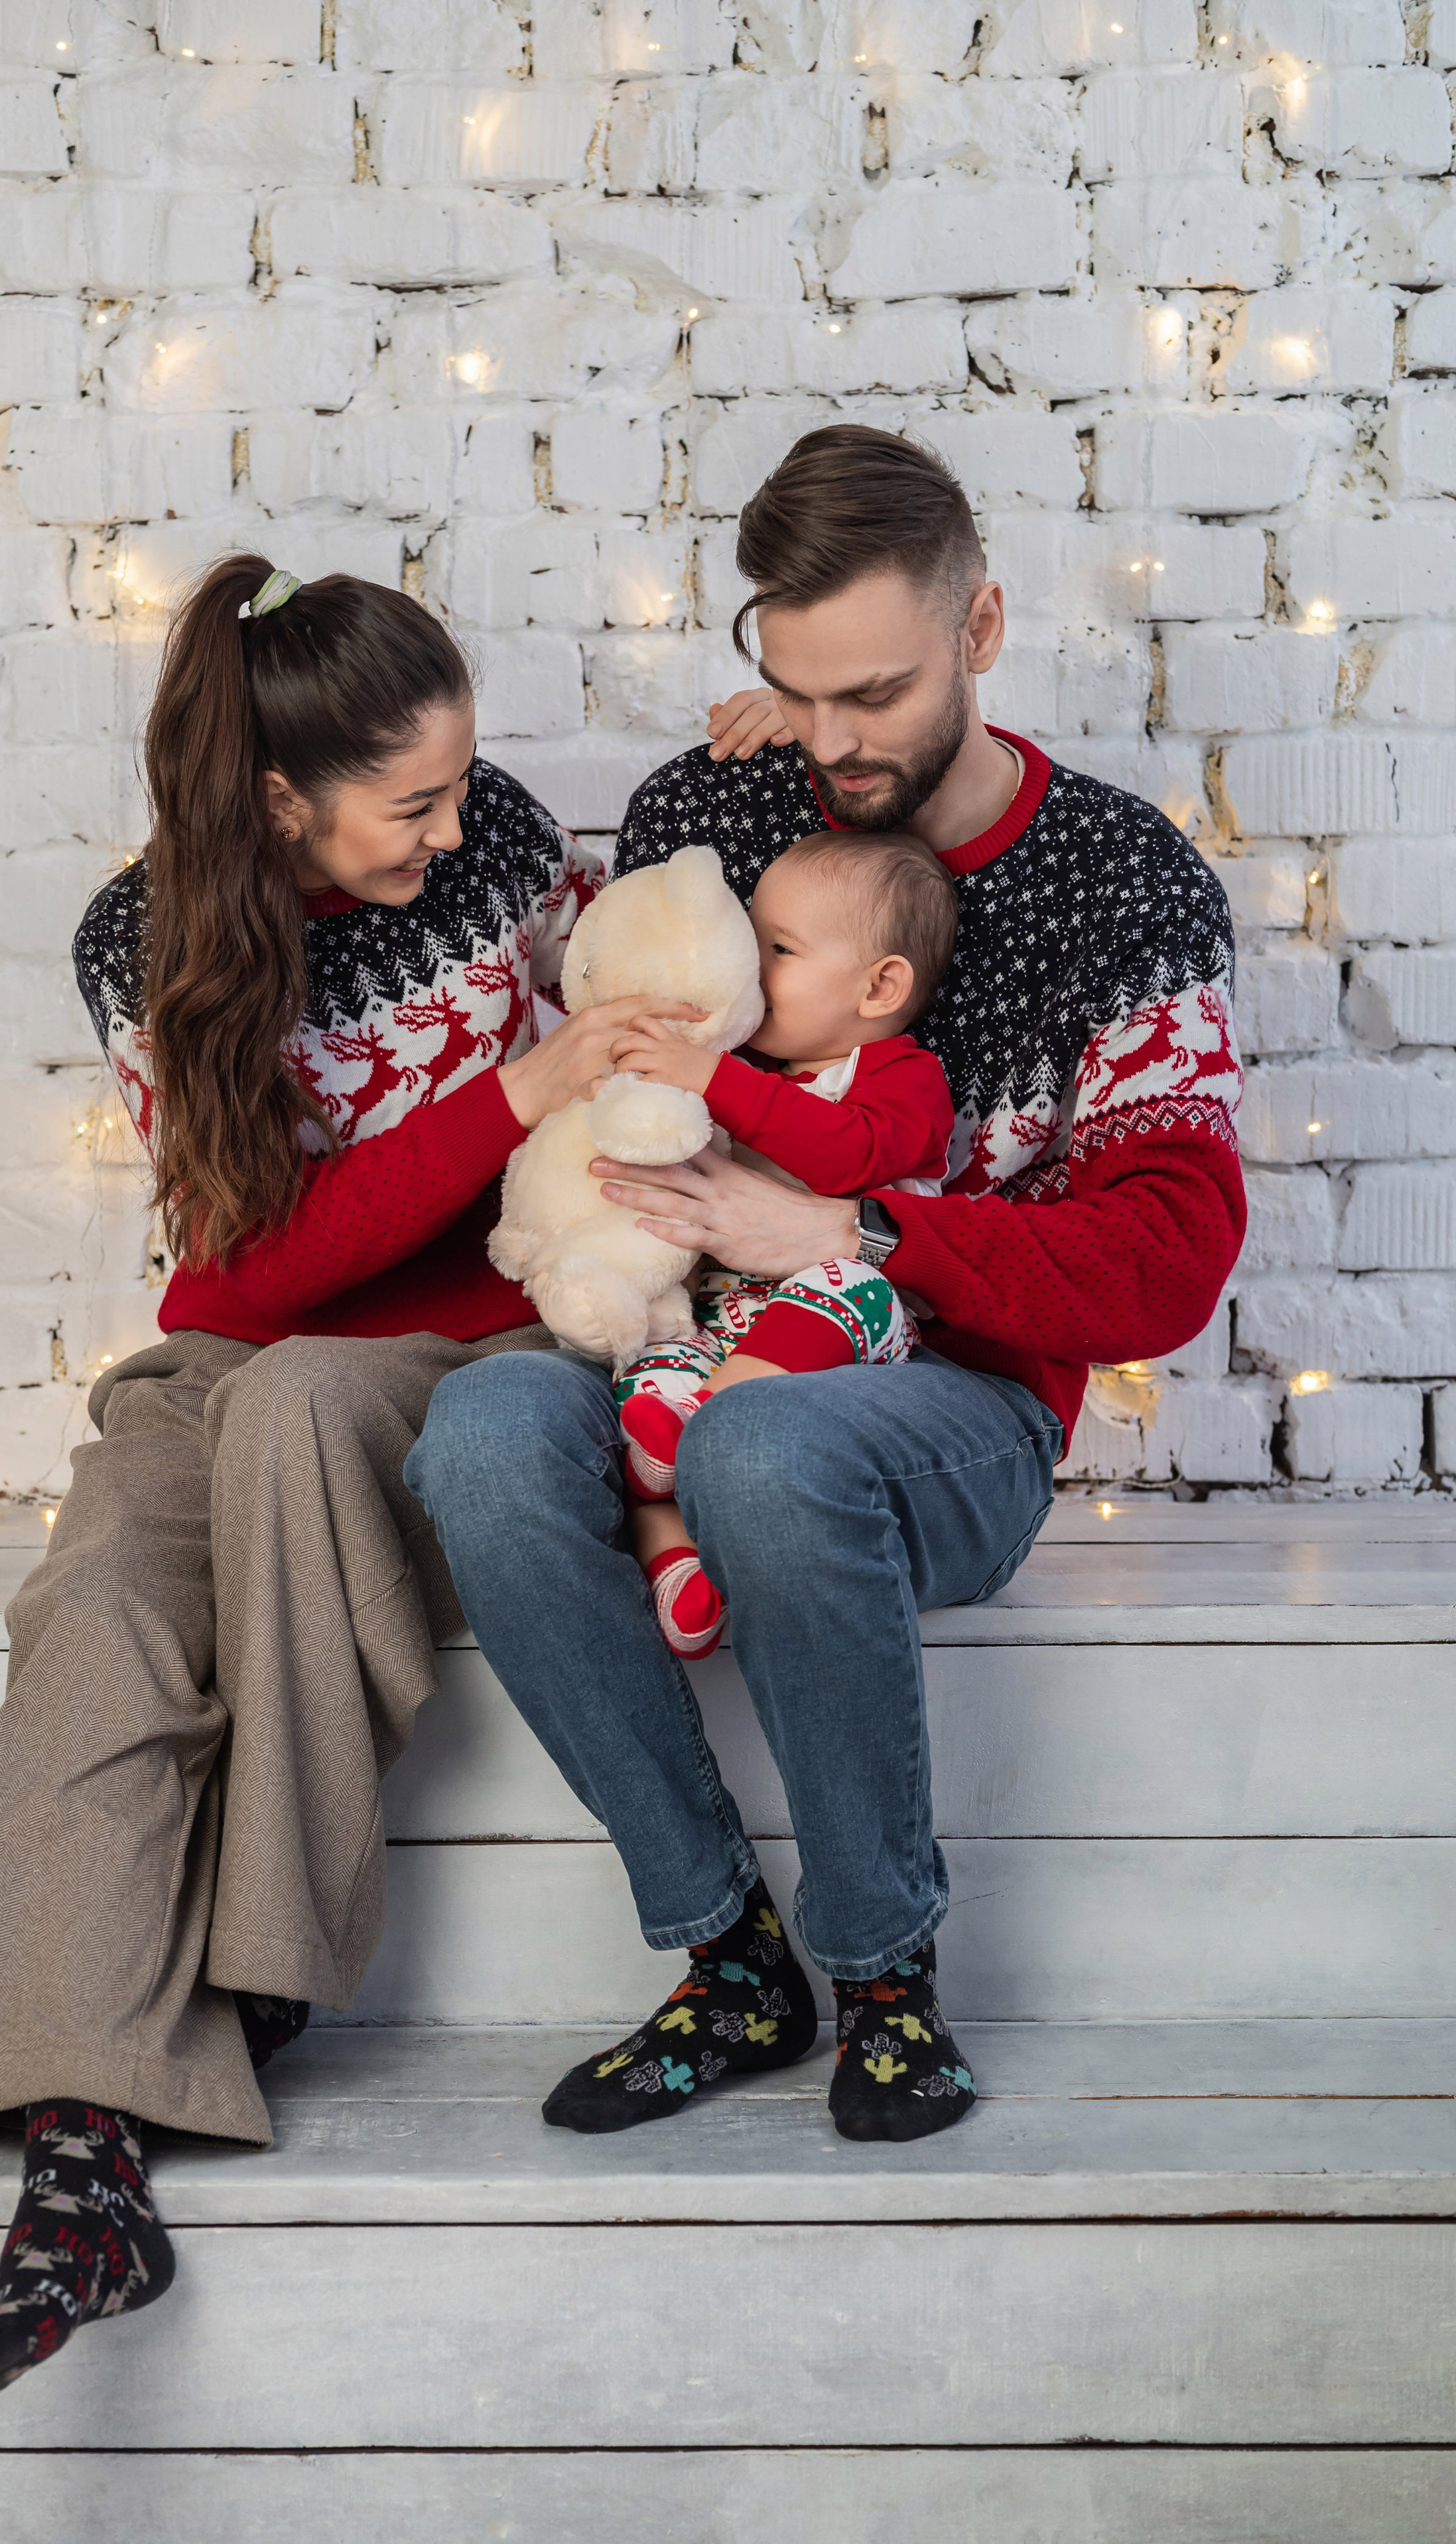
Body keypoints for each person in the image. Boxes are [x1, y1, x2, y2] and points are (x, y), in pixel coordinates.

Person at [0, 555, 688, 2401]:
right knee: (101, 1602)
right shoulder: (140, 944)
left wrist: (733, 758)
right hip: (247, 1350)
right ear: (276, 799)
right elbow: (233, 1278)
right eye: (412, 800)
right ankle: (83, 2177)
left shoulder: (503, 869)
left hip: (467, 1344)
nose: (458, 824)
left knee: (302, 1417)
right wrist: (507, 1094)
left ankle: (258, 1978)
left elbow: (679, 932)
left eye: (463, 782)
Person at [407, 423, 1245, 2146]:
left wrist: (857, 1240)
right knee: (482, 1434)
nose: (833, 742)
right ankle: (727, 1957)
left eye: (874, 692)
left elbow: (1163, 1266)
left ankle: (884, 1976)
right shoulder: (712, 806)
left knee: (771, 1454)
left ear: (982, 629)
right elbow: (609, 1061)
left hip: (950, 1396)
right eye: (796, 688)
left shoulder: (1125, 887)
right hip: (682, 1320)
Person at [612, 827, 957, 1661]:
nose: (750, 968)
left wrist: (711, 1079)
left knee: (848, 1286)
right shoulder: (748, 1073)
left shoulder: (900, 1076)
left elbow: (848, 1154)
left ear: (879, 986)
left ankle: (698, 1428)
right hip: (725, 1315)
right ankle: (676, 1563)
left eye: (778, 949)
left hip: (841, 1325)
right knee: (642, 1374)